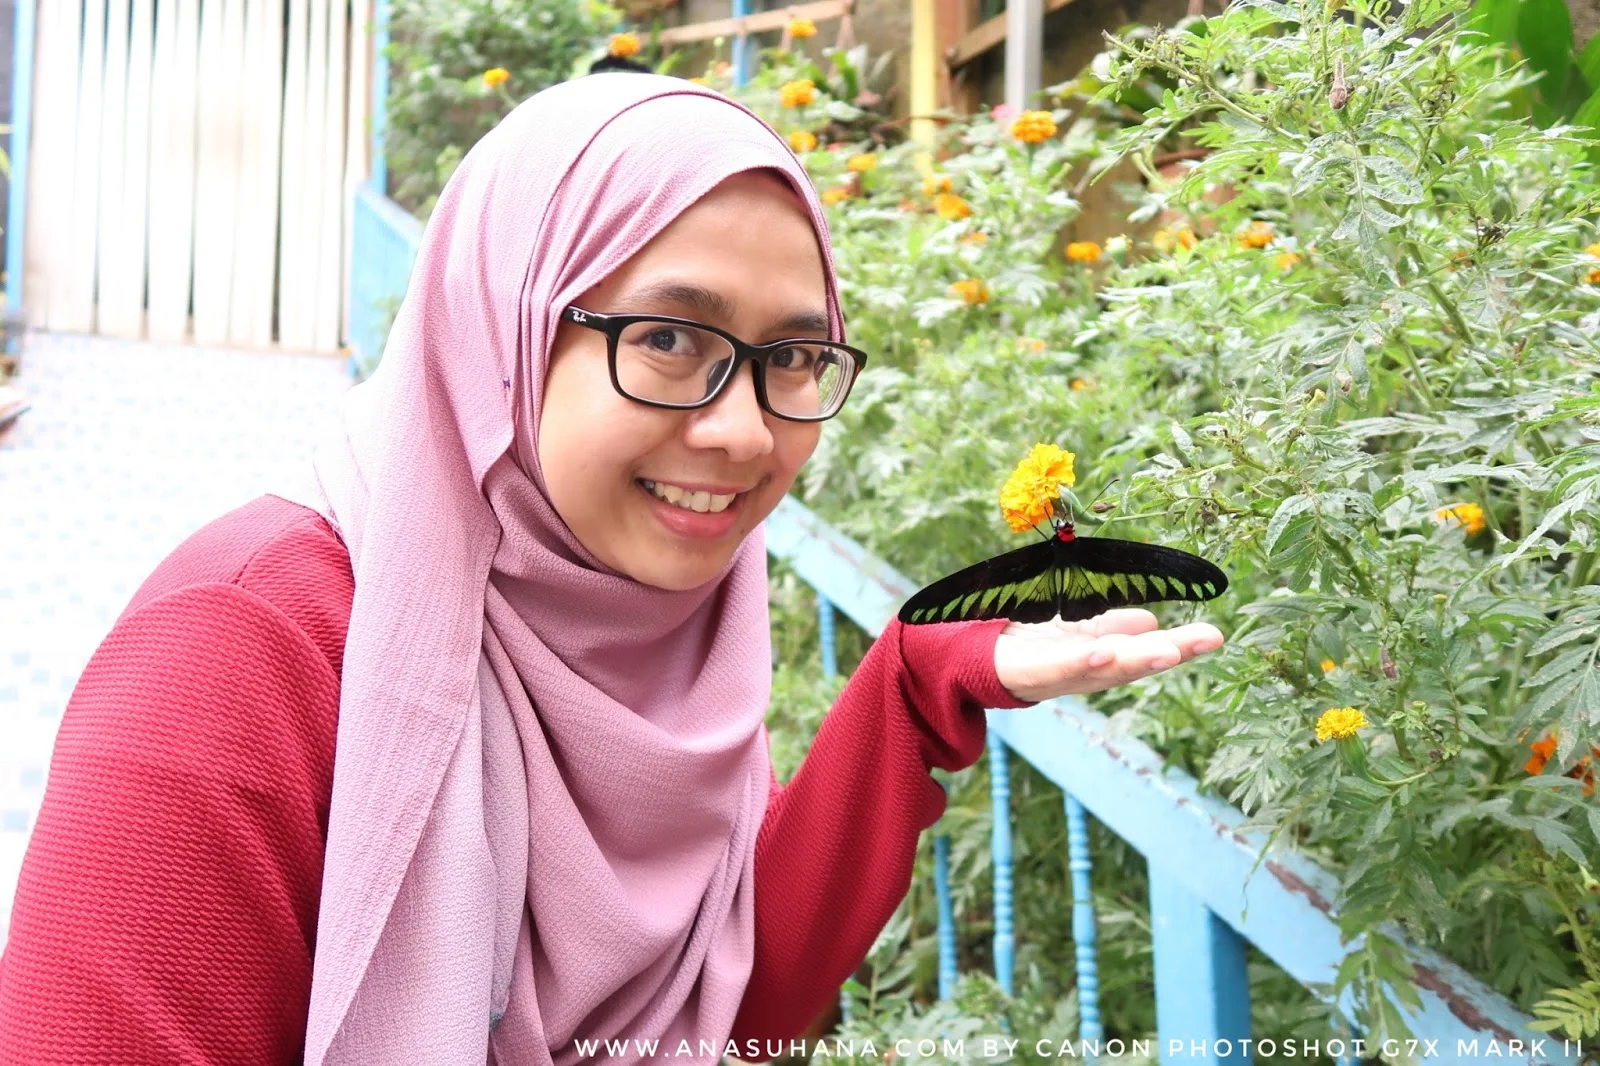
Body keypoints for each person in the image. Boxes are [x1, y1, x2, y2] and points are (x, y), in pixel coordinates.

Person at [0, 75, 1223, 1065]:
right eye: (671, 337)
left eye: (795, 353)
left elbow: (721, 1008)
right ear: (507, 326)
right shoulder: (241, 651)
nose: (745, 430)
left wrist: (919, 682)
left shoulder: (659, 627)